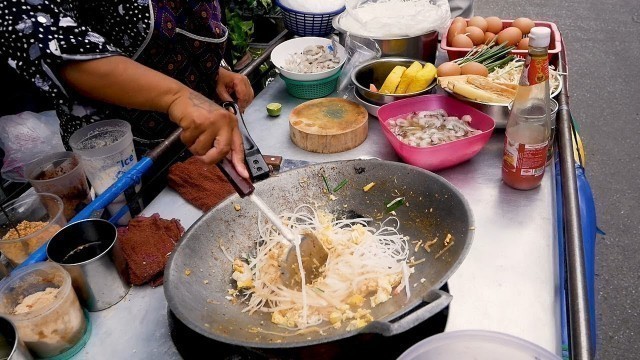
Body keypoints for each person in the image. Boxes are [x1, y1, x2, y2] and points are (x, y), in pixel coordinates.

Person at [0, 0, 252, 179]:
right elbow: (43, 38)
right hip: (118, 154)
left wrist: (212, 66)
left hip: (197, 135)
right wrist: (177, 97)